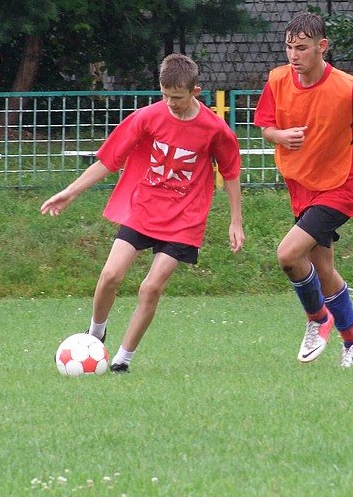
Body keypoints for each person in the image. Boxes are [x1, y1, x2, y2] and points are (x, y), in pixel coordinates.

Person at [41, 54, 244, 372]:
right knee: (110, 276)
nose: (170, 103)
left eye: (177, 97)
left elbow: (230, 172)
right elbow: (110, 160)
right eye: (165, 95)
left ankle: (123, 360)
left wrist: (236, 221)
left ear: (195, 91)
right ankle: (95, 334)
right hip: (144, 209)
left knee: (150, 288)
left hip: (185, 219)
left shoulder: (214, 129)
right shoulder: (147, 117)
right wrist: (71, 192)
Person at [254, 12, 353, 367]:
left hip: (344, 183)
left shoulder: (349, 88)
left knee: (289, 255)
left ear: (322, 46)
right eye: (289, 47)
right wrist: (280, 136)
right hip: (304, 185)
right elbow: (266, 127)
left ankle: (318, 318)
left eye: (302, 48)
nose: (294, 55)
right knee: (322, 268)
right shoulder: (277, 80)